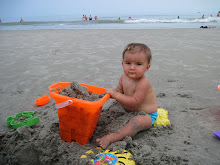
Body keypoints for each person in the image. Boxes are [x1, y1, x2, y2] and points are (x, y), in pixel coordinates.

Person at [96, 43, 158, 149]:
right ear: (122, 64)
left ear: (147, 67)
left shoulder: (143, 83)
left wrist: (116, 95)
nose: (132, 67)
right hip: (127, 110)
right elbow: (118, 92)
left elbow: (135, 101)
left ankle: (112, 137)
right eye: (128, 63)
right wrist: (106, 94)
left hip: (147, 114)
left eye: (138, 64)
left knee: (135, 123)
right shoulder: (123, 78)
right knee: (112, 106)